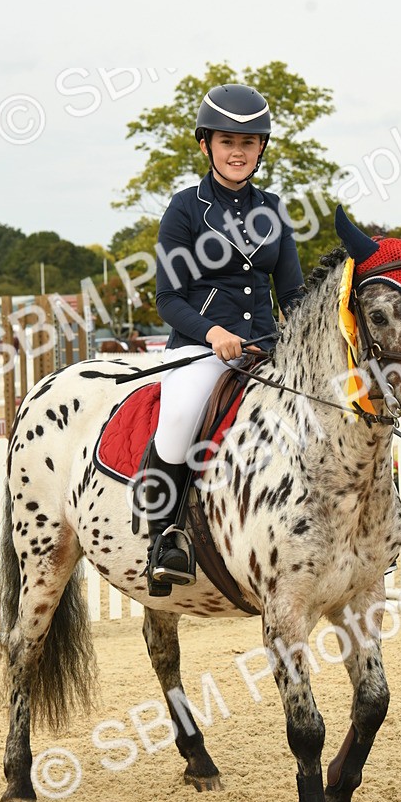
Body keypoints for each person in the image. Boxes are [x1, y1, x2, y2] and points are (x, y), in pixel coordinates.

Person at [144, 83, 305, 595]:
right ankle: (164, 538)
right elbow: (168, 298)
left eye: (248, 143)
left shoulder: (274, 210)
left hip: (267, 348)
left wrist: (303, 340)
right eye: (227, 141)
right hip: (200, 347)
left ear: (261, 149)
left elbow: (293, 293)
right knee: (179, 417)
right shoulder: (185, 209)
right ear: (205, 145)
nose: (238, 152)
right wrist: (213, 333)